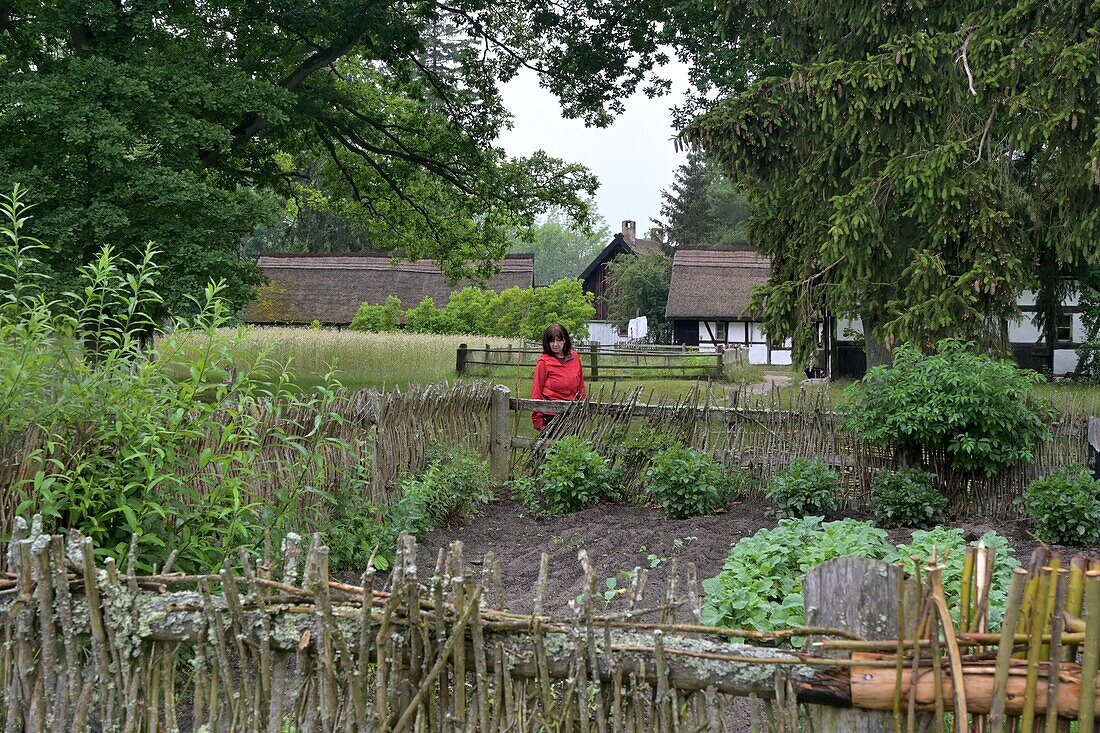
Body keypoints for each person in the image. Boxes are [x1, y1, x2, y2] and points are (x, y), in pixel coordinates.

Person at [530, 323, 586, 430]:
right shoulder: (543, 363)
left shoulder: (574, 357)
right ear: (547, 343)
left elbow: (580, 386)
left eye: (559, 340)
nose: (555, 344)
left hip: (572, 411)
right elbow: (536, 391)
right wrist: (537, 420)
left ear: (565, 340)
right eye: (552, 341)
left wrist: (583, 410)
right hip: (551, 414)